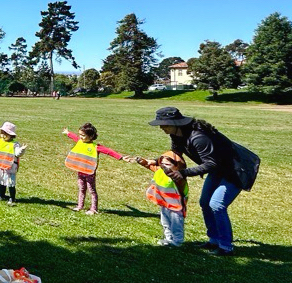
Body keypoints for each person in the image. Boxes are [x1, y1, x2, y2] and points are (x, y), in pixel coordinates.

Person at [142, 107, 259, 255]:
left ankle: (226, 247)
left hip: (237, 170)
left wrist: (183, 173)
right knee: (205, 203)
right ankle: (214, 240)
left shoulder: (199, 137)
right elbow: (175, 155)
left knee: (217, 205)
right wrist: (155, 161)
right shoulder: (177, 135)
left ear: (175, 123)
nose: (161, 128)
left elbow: (211, 164)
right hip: (219, 169)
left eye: (164, 124)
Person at [62, 123, 127, 214]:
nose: (80, 137)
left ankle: (93, 209)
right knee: (81, 188)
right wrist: (67, 132)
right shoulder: (80, 141)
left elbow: (108, 151)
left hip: (90, 173)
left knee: (92, 190)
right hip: (81, 171)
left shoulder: (96, 147)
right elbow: (74, 137)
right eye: (80, 134)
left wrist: (121, 157)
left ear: (91, 136)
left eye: (83, 135)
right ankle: (80, 206)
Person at [130, 151, 189, 246]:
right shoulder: (160, 171)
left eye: (168, 164)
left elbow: (179, 180)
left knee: (176, 224)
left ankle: (177, 241)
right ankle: (168, 238)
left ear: (177, 166)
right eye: (162, 164)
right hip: (164, 203)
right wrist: (143, 162)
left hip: (176, 206)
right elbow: (151, 166)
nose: (164, 166)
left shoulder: (178, 177)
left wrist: (172, 172)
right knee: (165, 222)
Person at [0, 121, 27, 205]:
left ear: (11, 135)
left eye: (5, 134)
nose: (3, 136)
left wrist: (22, 149)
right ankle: (2, 196)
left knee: (10, 183)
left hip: (10, 168)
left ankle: (12, 198)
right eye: (2, 134)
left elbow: (18, 154)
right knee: (2, 182)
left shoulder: (14, 144)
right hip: (0, 167)